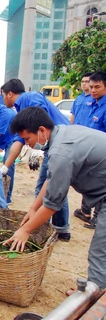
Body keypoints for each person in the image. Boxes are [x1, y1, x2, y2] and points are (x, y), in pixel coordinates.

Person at [4, 107, 106, 291]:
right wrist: (33, 208)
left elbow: (53, 205)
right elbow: (51, 179)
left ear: (42, 130)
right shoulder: (62, 134)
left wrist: (25, 230)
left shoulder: (61, 151)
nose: (27, 145)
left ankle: (94, 297)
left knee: (100, 251)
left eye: (27, 139)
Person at [0, 78, 71, 241]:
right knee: (55, 183)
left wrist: (35, 152)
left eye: (2, 95)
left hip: (60, 145)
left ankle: (43, 228)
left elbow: (40, 123)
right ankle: (60, 228)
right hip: (53, 146)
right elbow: (19, 141)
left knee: (47, 188)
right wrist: (6, 166)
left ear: (9, 94)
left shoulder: (30, 98)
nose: (2, 99)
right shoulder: (21, 109)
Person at [71, 71, 106, 230]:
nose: (93, 90)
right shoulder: (90, 104)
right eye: (91, 87)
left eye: (97, 87)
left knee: (100, 186)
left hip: (101, 155)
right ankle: (85, 212)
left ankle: (98, 219)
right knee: (87, 181)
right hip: (88, 152)